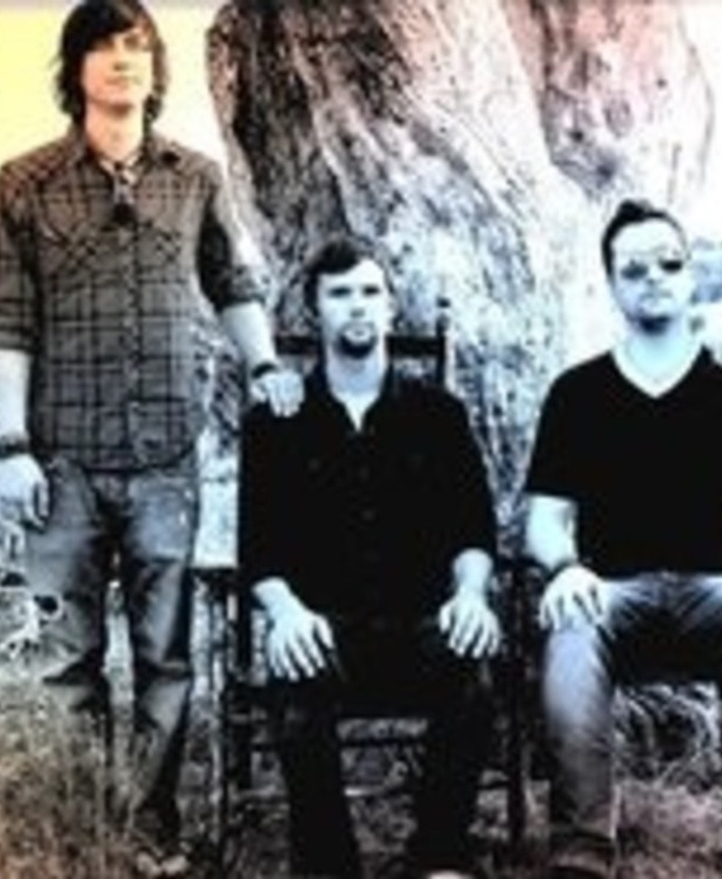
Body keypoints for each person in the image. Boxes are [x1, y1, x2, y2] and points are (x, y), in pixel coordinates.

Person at [0, 1, 301, 873]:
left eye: (136, 45)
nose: (123, 60)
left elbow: (233, 285)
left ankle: (151, 826)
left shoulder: (195, 177)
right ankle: (86, 828)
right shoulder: (23, 182)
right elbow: (5, 322)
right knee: (69, 660)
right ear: (74, 68)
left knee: (165, 657)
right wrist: (11, 445)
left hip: (165, 458)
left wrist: (265, 365)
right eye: (103, 46)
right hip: (62, 462)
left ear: (155, 67)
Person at [524, 199, 722, 879]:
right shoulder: (577, 394)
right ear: (612, 286)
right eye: (633, 269)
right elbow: (544, 519)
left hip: (718, 590)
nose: (652, 277)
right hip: (612, 593)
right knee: (570, 628)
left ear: (691, 276)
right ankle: (580, 851)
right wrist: (564, 567)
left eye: (668, 263)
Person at [239, 235, 502, 879]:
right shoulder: (277, 422)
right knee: (295, 683)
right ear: (314, 310)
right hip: (324, 626)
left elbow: (473, 530)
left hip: (421, 622)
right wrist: (285, 613)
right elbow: (259, 549)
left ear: (390, 306)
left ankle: (439, 857)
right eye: (340, 294)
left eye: (369, 292)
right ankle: (329, 866)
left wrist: (471, 596)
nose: (357, 306)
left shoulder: (438, 414)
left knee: (471, 674)